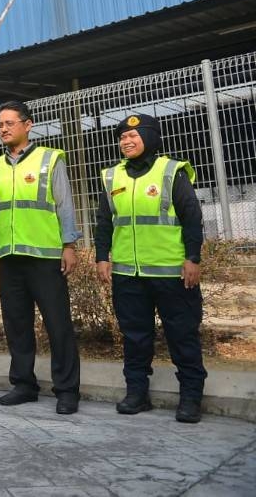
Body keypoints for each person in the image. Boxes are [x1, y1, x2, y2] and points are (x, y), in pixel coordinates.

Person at [95, 113, 206, 423]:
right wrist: (102, 257)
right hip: (128, 274)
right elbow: (104, 221)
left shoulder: (171, 171)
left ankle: (191, 398)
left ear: (150, 137)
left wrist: (193, 258)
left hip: (172, 273)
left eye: (133, 135)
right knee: (135, 338)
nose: (126, 141)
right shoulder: (112, 176)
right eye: (122, 137)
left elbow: (191, 218)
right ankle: (137, 393)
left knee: (182, 336)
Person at [0, 100, 81, 414]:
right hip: (10, 257)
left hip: (45, 257)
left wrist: (69, 245)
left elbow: (64, 204)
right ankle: (24, 384)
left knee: (58, 324)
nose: (3, 129)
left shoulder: (50, 159)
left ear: (28, 125)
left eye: (9, 123)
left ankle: (67, 390)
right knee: (16, 324)